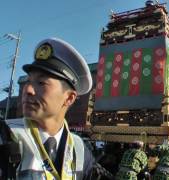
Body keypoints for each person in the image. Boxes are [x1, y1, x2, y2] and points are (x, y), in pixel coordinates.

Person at [0, 38, 108, 180]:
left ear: (69, 98)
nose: (28, 90)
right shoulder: (5, 136)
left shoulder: (79, 150)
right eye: (28, 81)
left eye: (41, 82)